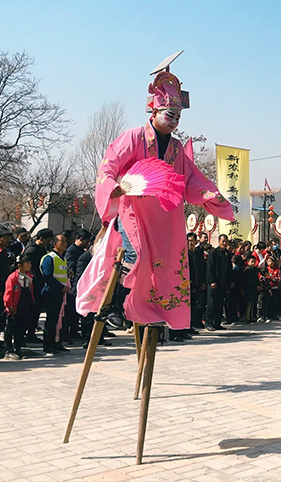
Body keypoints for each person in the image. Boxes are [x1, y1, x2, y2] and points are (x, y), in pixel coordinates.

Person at [76, 52, 234, 335]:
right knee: (134, 254)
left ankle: (156, 309)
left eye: (178, 116)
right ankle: (116, 306)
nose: (174, 121)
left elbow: (191, 179)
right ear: (154, 111)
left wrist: (210, 195)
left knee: (167, 264)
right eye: (169, 114)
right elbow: (109, 162)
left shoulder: (176, 148)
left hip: (164, 217)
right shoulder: (134, 137)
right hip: (134, 210)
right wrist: (111, 183)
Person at [23, 228, 54, 344]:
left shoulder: (44, 249)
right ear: (41, 239)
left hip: (40, 283)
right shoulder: (31, 251)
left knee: (37, 310)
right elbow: (30, 270)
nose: (49, 242)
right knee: (31, 309)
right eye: (47, 240)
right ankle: (27, 333)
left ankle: (31, 332)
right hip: (33, 284)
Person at [40, 234, 69, 355]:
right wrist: (61, 287)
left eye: (65, 241)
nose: (64, 244)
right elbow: (47, 276)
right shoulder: (49, 258)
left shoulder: (63, 258)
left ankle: (57, 342)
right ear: (54, 244)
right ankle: (48, 345)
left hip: (61, 294)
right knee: (51, 320)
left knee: (58, 320)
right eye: (62, 241)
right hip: (51, 292)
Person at [3, 255, 34, 360]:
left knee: (21, 328)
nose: (29, 265)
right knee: (11, 328)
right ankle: (8, 350)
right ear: (19, 265)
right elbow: (8, 293)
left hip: (25, 306)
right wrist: (9, 306)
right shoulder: (13, 278)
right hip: (15, 307)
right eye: (27, 263)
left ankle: (18, 348)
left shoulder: (29, 277)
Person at [62, 229, 91, 342]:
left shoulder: (80, 250)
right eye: (86, 241)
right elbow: (71, 266)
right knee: (69, 312)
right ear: (80, 239)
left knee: (74, 312)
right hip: (73, 284)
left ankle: (73, 331)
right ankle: (67, 333)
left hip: (78, 283)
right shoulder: (72, 251)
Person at [205, 234, 231, 331]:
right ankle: (209, 323)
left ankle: (217, 323)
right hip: (214, 283)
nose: (224, 243)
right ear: (219, 241)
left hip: (223, 283)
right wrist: (212, 280)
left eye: (226, 241)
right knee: (212, 303)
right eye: (223, 241)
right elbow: (210, 267)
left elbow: (229, 269)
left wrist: (229, 281)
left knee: (220, 303)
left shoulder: (227, 254)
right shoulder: (213, 253)